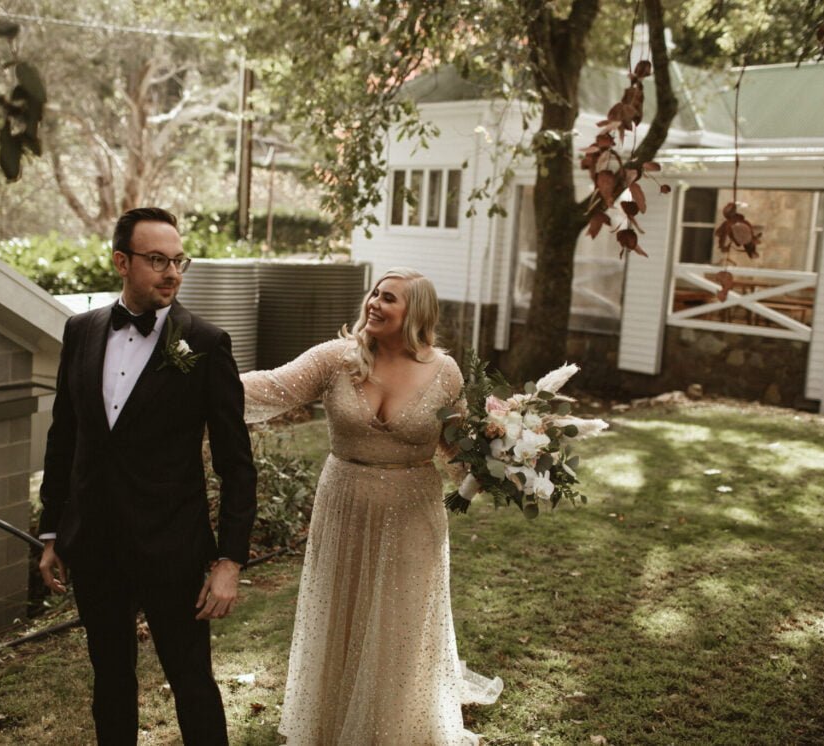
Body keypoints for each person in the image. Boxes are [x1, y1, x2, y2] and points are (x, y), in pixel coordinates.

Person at [241, 267, 502, 745]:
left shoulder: (444, 372)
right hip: (344, 503)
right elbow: (271, 386)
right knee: (341, 614)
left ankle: (395, 728)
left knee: (400, 621)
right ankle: (333, 721)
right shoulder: (335, 358)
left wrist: (501, 461)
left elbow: (455, 445)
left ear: (416, 313)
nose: (374, 304)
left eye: (389, 298)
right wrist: (199, 379)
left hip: (413, 511)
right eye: (375, 294)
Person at [36, 207, 257, 746]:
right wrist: (52, 531)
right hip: (94, 545)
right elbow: (65, 437)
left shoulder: (205, 343)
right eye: (158, 260)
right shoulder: (81, 330)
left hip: (171, 547)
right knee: (111, 681)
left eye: (179, 260)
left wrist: (229, 560)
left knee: (192, 683)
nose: (172, 273)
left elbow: (236, 463)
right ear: (121, 262)